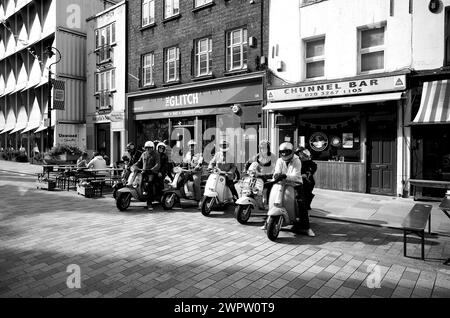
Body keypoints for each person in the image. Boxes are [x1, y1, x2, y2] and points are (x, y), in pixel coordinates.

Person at [273, 142, 315, 237]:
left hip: (296, 184)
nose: (284, 154)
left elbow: (296, 176)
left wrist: (284, 176)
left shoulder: (297, 161)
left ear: (291, 152)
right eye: (282, 152)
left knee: (301, 203)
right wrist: (276, 175)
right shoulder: (279, 160)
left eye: (286, 151)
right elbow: (276, 171)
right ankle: (268, 221)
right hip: (282, 184)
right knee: (273, 200)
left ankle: (306, 227)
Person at [244, 140, 277, 206]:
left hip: (268, 176)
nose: (263, 149)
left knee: (269, 187)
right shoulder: (257, 156)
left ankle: (267, 203)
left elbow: (275, 168)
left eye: (264, 147)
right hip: (258, 175)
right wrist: (246, 170)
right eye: (261, 148)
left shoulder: (273, 157)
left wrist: (271, 174)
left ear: (268, 148)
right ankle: (248, 196)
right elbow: (248, 163)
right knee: (248, 183)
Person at [133, 141, 161, 211]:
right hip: (144, 172)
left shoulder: (156, 154)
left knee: (149, 184)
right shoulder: (143, 154)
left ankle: (149, 202)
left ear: (153, 148)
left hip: (152, 173)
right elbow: (139, 162)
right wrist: (134, 165)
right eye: (147, 148)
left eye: (150, 148)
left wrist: (153, 169)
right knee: (137, 181)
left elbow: (158, 164)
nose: (148, 149)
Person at [296, 146, 317, 211]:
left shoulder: (310, 163)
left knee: (307, 194)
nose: (304, 155)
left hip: (308, 181)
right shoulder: (296, 162)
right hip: (298, 180)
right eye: (301, 153)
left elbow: (313, 168)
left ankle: (306, 206)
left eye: (304, 153)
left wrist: (307, 174)